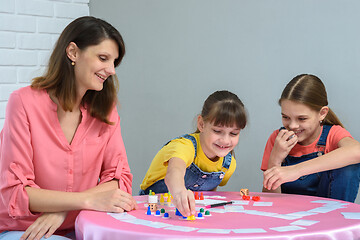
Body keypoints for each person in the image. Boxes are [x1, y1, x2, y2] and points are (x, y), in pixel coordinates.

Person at [0, 16, 137, 240]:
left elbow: (119, 180)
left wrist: (63, 211)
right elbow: (17, 192)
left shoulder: (105, 110)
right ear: (73, 52)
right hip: (25, 230)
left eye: (114, 62)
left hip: (84, 226)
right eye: (103, 58)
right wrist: (85, 200)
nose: (111, 70)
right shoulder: (23, 103)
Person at [139, 90, 247, 217]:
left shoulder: (228, 165)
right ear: (201, 124)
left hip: (188, 214)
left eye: (234, 133)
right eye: (217, 131)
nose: (225, 140)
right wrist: (179, 191)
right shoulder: (184, 146)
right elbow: (174, 172)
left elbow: (208, 195)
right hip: (153, 209)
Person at [262, 74, 360, 202]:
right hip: (289, 216)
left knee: (349, 167)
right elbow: (270, 202)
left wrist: (296, 171)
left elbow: (357, 151)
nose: (292, 126)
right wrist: (275, 161)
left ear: (322, 113)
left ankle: (337, 221)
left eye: (302, 118)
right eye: (285, 117)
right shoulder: (278, 139)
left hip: (328, 215)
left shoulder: (333, 134)